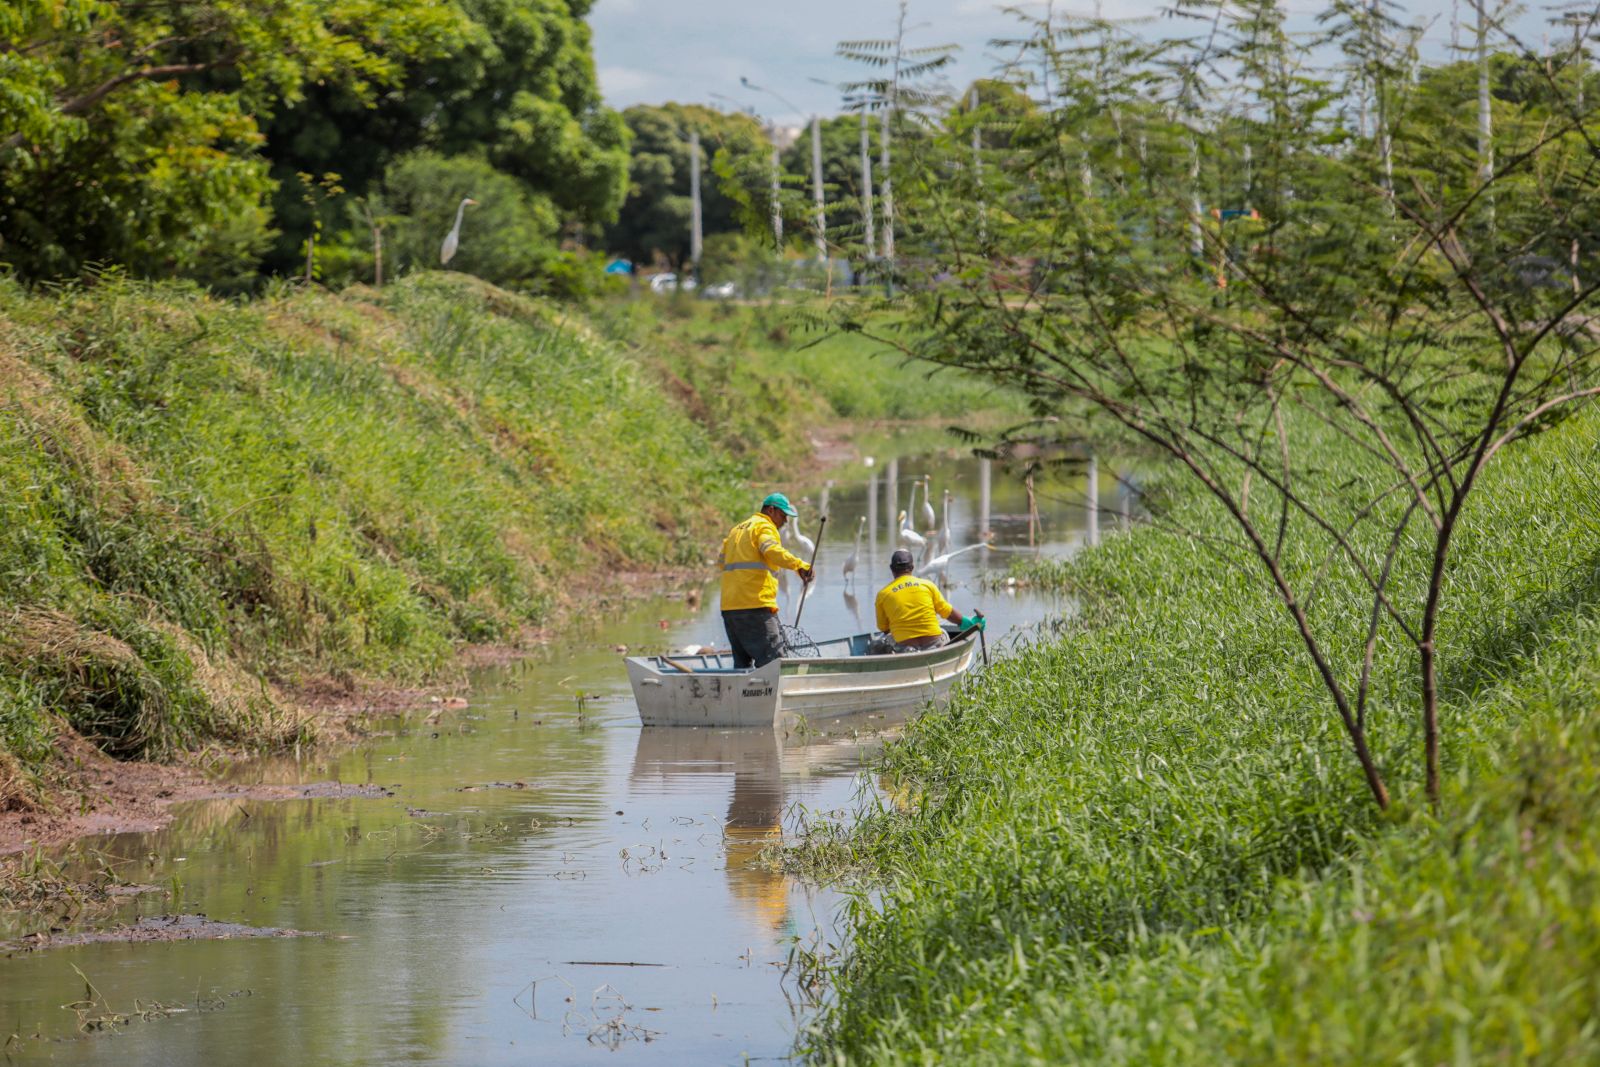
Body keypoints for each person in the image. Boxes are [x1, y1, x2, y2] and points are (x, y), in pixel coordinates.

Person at [719, 493, 815, 668]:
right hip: (755, 607)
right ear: (771, 510)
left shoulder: (735, 531)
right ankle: (775, 695)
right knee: (775, 664)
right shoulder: (764, 526)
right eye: (783, 515)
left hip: (730, 609)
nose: (785, 521)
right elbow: (772, 550)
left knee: (742, 666)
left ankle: (746, 695)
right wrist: (799, 565)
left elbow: (721, 562)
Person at [873, 549, 985, 653]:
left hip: (905, 648)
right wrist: (968, 623)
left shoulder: (883, 594)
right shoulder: (927, 585)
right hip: (934, 643)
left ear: (892, 569)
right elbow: (947, 612)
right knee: (944, 632)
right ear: (912, 567)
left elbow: (884, 628)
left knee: (881, 642)